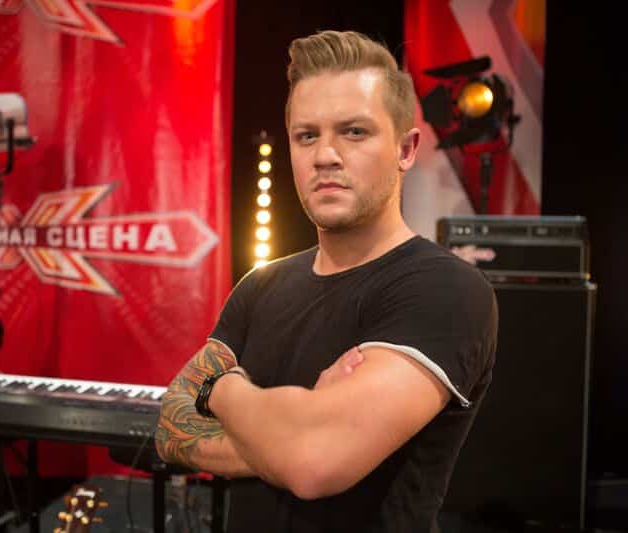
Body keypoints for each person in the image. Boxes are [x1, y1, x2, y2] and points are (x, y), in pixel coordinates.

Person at [155, 30, 497, 532]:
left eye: (354, 132)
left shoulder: (446, 290)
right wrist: (286, 435)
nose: (325, 155)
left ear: (405, 149)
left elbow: (313, 463)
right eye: (306, 136)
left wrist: (220, 388)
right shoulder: (261, 285)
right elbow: (169, 425)